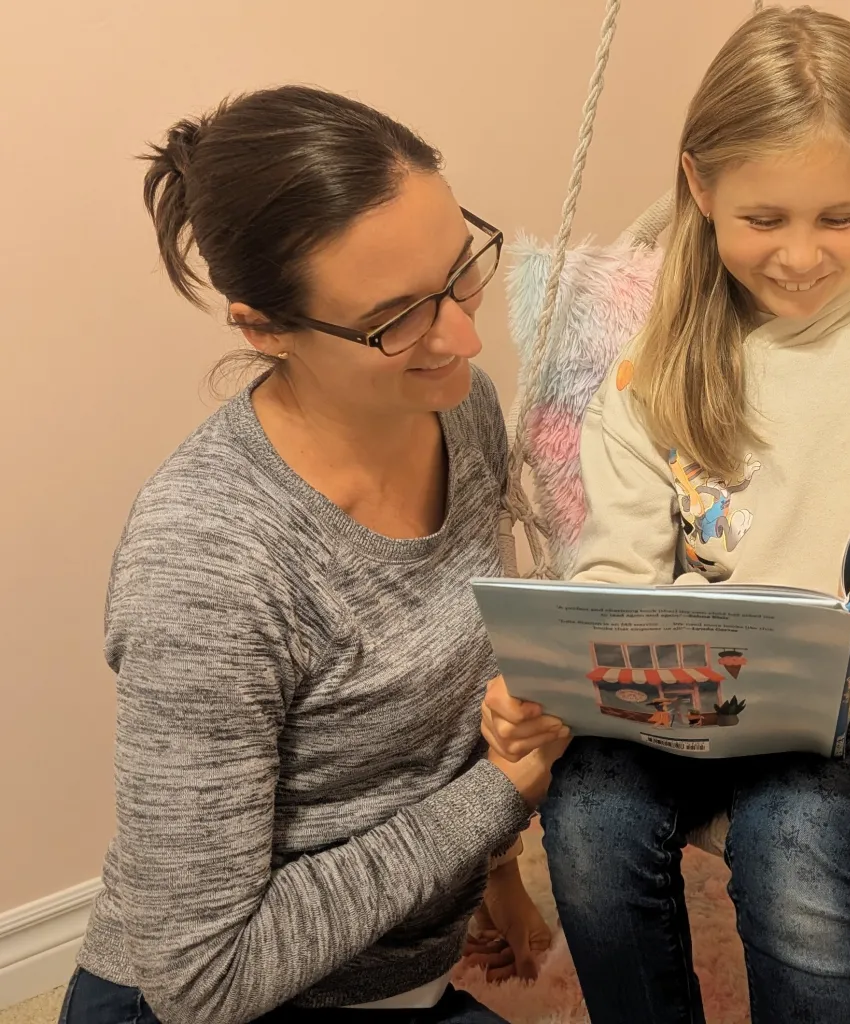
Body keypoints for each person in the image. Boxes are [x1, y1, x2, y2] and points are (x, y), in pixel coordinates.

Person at [483, 7, 850, 1023]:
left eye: (839, 218)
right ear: (700, 187)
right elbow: (617, 582)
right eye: (764, 220)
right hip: (708, 693)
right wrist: (573, 677)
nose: (800, 257)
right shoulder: (654, 376)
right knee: (587, 812)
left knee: (792, 825)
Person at [59, 85, 566, 1024]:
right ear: (262, 329)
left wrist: (495, 880)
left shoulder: (460, 403)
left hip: (399, 969)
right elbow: (199, 980)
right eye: (397, 318)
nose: (464, 333)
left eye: (461, 271)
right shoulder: (207, 563)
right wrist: (498, 798)